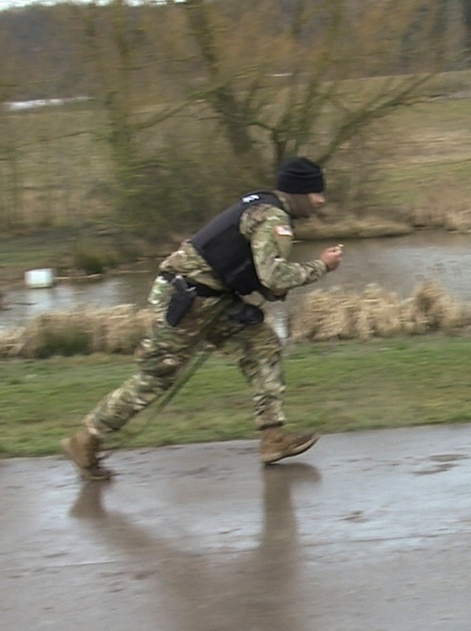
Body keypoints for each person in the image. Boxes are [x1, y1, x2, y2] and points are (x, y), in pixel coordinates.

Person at [61, 156, 344, 481]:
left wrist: (269, 289)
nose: (321, 200)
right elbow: (274, 276)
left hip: (213, 298)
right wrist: (321, 266)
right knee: (156, 377)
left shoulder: (261, 206)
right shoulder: (272, 218)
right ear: (299, 191)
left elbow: (247, 269)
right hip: (188, 298)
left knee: (262, 347)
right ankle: (86, 440)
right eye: (316, 193)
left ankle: (272, 438)